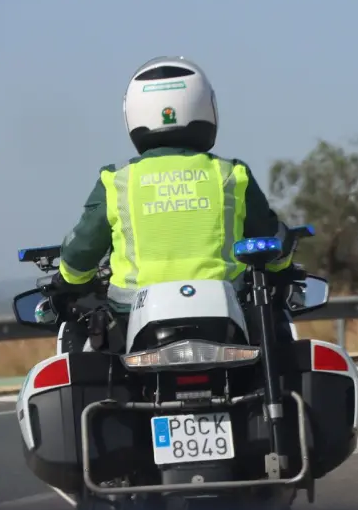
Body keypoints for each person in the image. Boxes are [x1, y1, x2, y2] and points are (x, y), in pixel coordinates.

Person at [47, 56, 298, 353]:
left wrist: (67, 282)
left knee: (89, 354)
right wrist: (283, 263)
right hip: (226, 316)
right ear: (206, 107)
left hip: (130, 319)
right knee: (276, 341)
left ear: (132, 113)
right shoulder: (231, 174)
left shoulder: (117, 180)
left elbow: (80, 253)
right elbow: (272, 241)